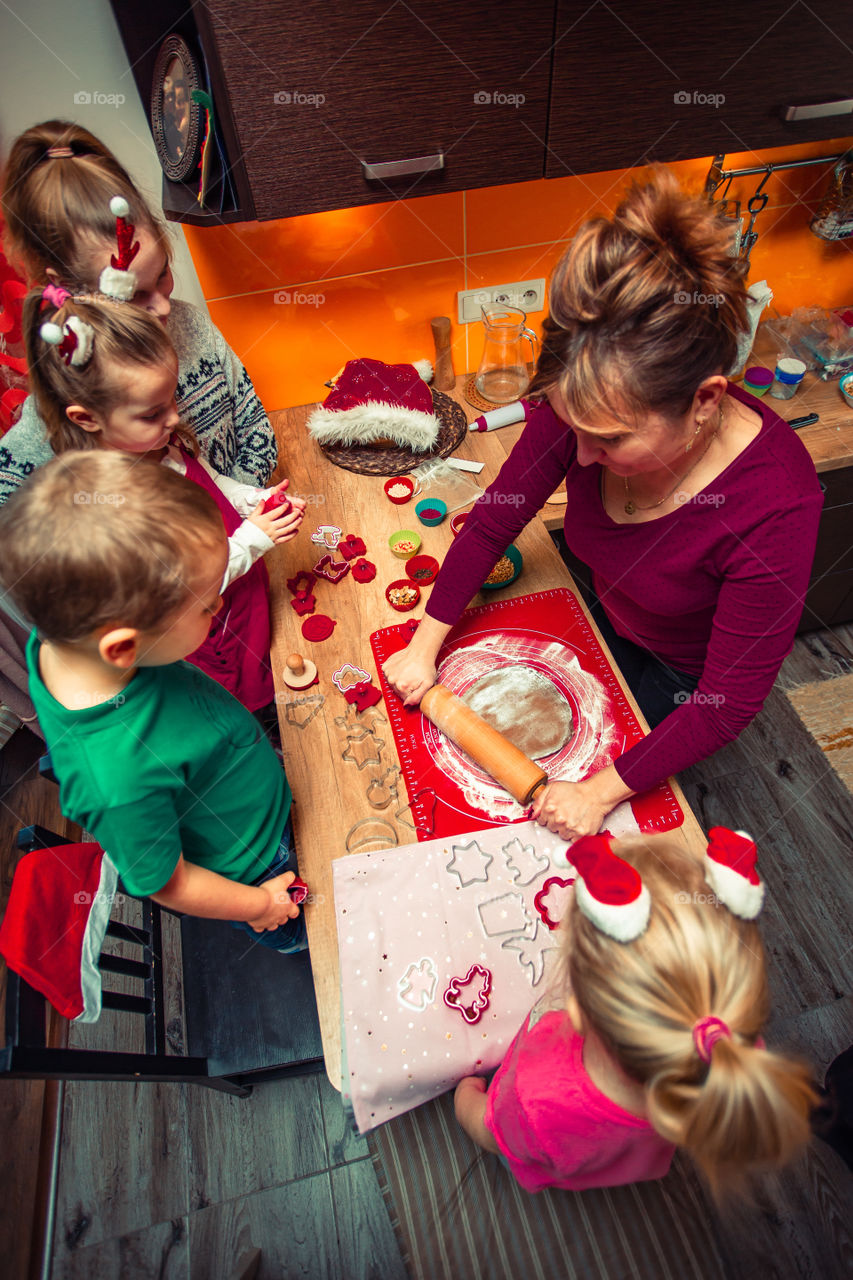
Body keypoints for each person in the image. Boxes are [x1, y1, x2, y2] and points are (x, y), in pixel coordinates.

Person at [383, 170, 823, 841]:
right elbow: (498, 515)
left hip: (684, 680)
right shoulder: (587, 398)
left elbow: (726, 704)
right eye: (570, 427)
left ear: (703, 401)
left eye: (609, 441)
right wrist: (423, 647)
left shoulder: (775, 506)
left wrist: (595, 792)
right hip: (604, 612)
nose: (579, 457)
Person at [0, 452, 306, 950]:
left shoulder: (63, 639)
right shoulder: (114, 781)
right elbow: (170, 883)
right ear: (121, 646)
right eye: (207, 605)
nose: (221, 605)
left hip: (251, 791)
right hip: (258, 866)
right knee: (308, 925)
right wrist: (262, 905)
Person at [454, 828, 816, 1195]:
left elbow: (492, 1136)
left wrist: (465, 1101)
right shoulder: (728, 1053)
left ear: (575, 1009)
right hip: (629, 1158)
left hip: (546, 1149)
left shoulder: (536, 1097)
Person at [20, 286, 304, 725]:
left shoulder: (157, 445)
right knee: (241, 709)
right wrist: (252, 539)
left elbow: (206, 481)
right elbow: (185, 591)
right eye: (153, 412)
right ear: (86, 418)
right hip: (209, 636)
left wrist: (252, 499)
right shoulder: (112, 505)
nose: (174, 417)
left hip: (243, 603)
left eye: (172, 400)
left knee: (267, 671)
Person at [0, 119, 276, 495]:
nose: (163, 308)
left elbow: (257, 429)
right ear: (66, 288)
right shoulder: (69, 394)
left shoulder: (192, 325)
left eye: (162, 275)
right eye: (132, 297)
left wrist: (231, 520)